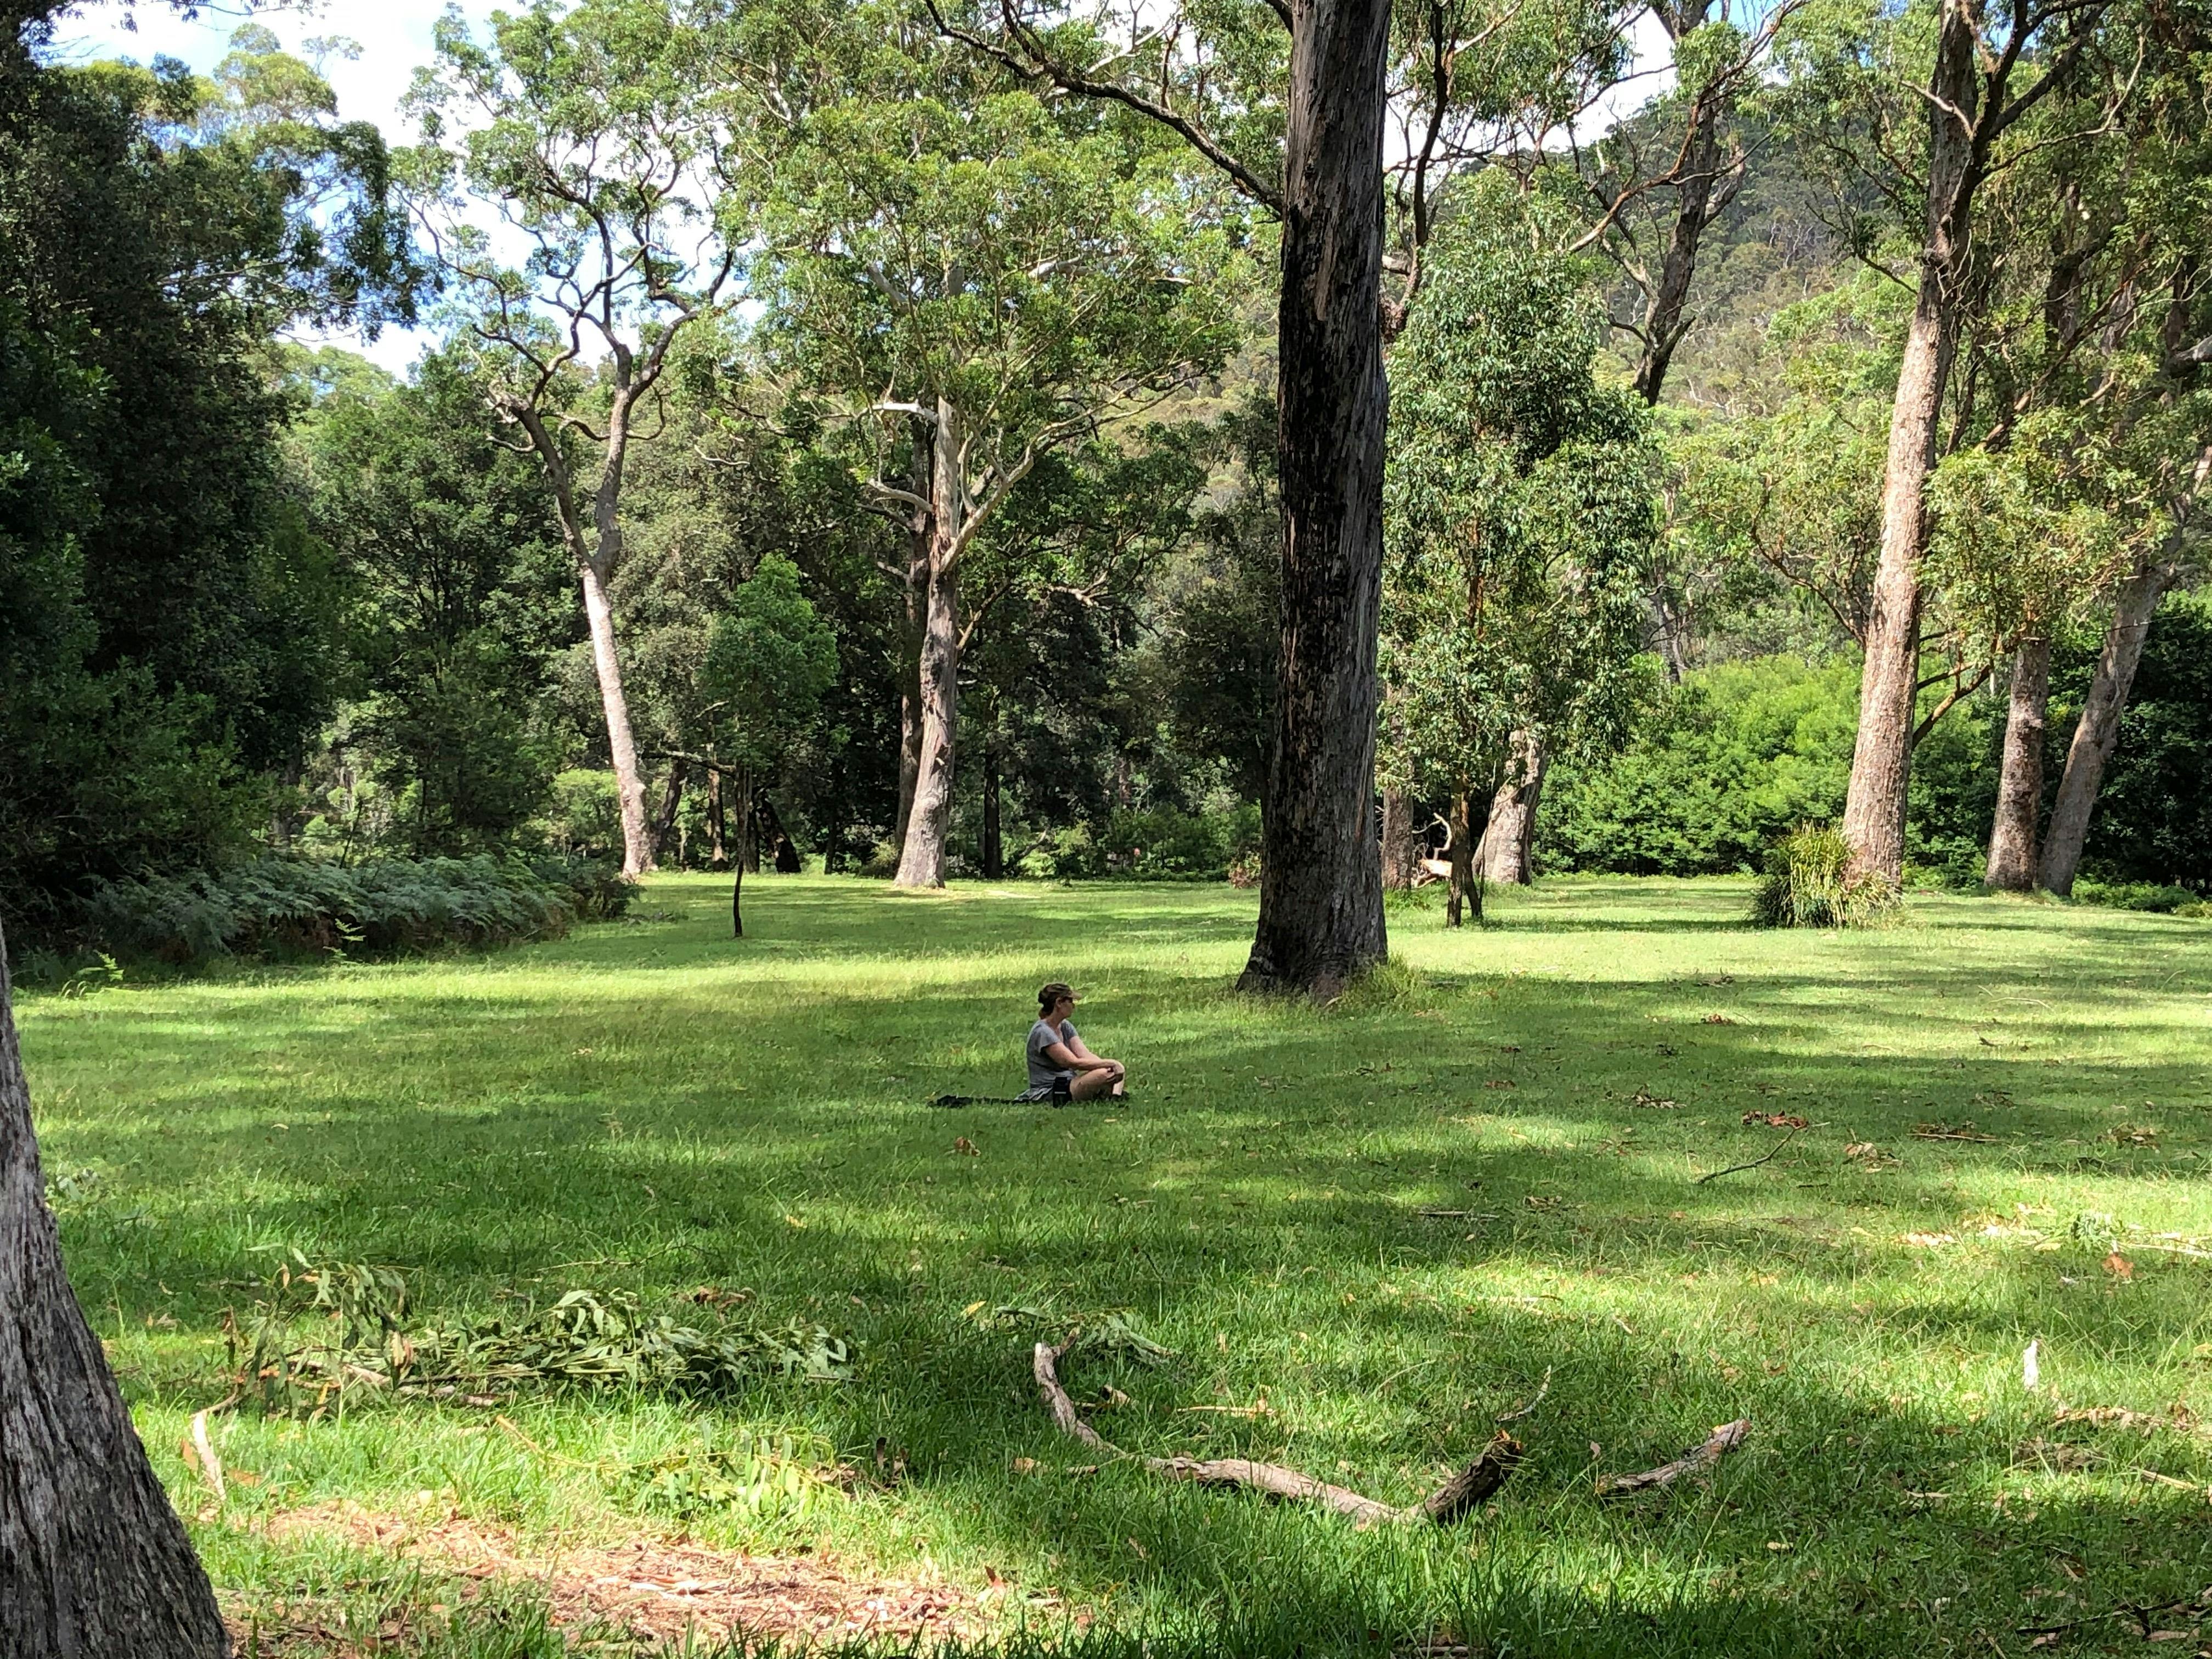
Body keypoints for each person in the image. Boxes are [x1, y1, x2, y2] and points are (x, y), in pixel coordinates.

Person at [1022, 982, 1126, 1103]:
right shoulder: (1043, 1032)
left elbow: (1085, 1055)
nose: (1074, 1006)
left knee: (1112, 1071)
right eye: (1071, 1001)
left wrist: (1110, 1067)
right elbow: (1072, 1063)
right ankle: (1108, 1094)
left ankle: (1116, 1097)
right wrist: (1111, 1063)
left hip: (1069, 1083)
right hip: (1049, 1091)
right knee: (1103, 1074)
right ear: (1059, 1003)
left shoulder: (1065, 1026)